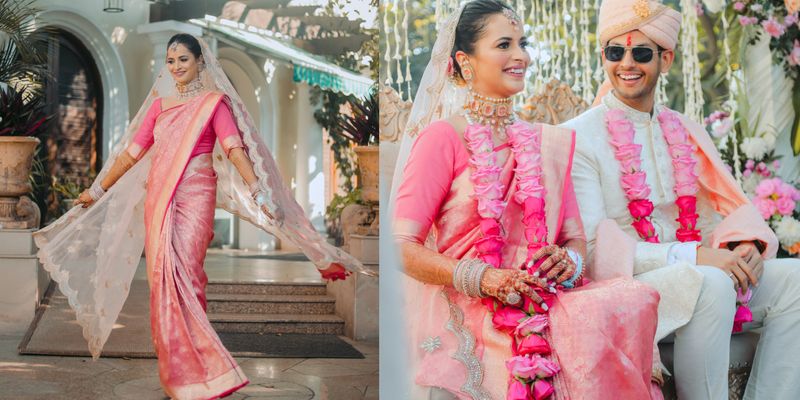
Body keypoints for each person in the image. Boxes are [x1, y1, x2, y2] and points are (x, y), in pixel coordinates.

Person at [33, 34, 369, 399]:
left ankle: (204, 370)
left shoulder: (213, 105)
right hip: (160, 199)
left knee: (189, 277)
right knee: (162, 278)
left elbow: (235, 150)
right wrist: (96, 190)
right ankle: (177, 371)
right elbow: (130, 155)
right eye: (171, 60)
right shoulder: (159, 107)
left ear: (200, 63)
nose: (176, 67)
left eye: (183, 60)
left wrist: (258, 191)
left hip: (196, 194)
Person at [390, 1, 663, 398]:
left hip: (543, 300)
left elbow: (574, 240)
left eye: (523, 43)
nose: (522, 56)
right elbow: (401, 249)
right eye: (504, 45)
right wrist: (485, 278)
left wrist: (567, 261)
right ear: (466, 61)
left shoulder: (546, 141)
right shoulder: (443, 138)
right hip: (469, 306)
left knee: (632, 299)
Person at [563, 0, 800, 398]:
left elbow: (714, 211)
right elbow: (590, 249)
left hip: (695, 269)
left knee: (795, 279)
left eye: (641, 53)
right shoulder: (579, 137)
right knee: (711, 282)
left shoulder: (682, 129)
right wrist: (696, 258)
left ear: (666, 58)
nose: (627, 64)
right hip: (624, 283)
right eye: (614, 52)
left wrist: (742, 246)